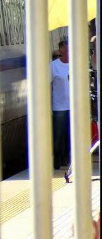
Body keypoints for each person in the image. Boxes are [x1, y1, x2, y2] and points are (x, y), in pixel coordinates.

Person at [51, 40, 70, 170]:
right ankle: (57, 159)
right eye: (66, 50)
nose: (68, 53)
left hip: (73, 106)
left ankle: (66, 158)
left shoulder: (76, 64)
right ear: (61, 51)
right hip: (59, 107)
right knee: (58, 135)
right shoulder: (53, 66)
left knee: (70, 135)